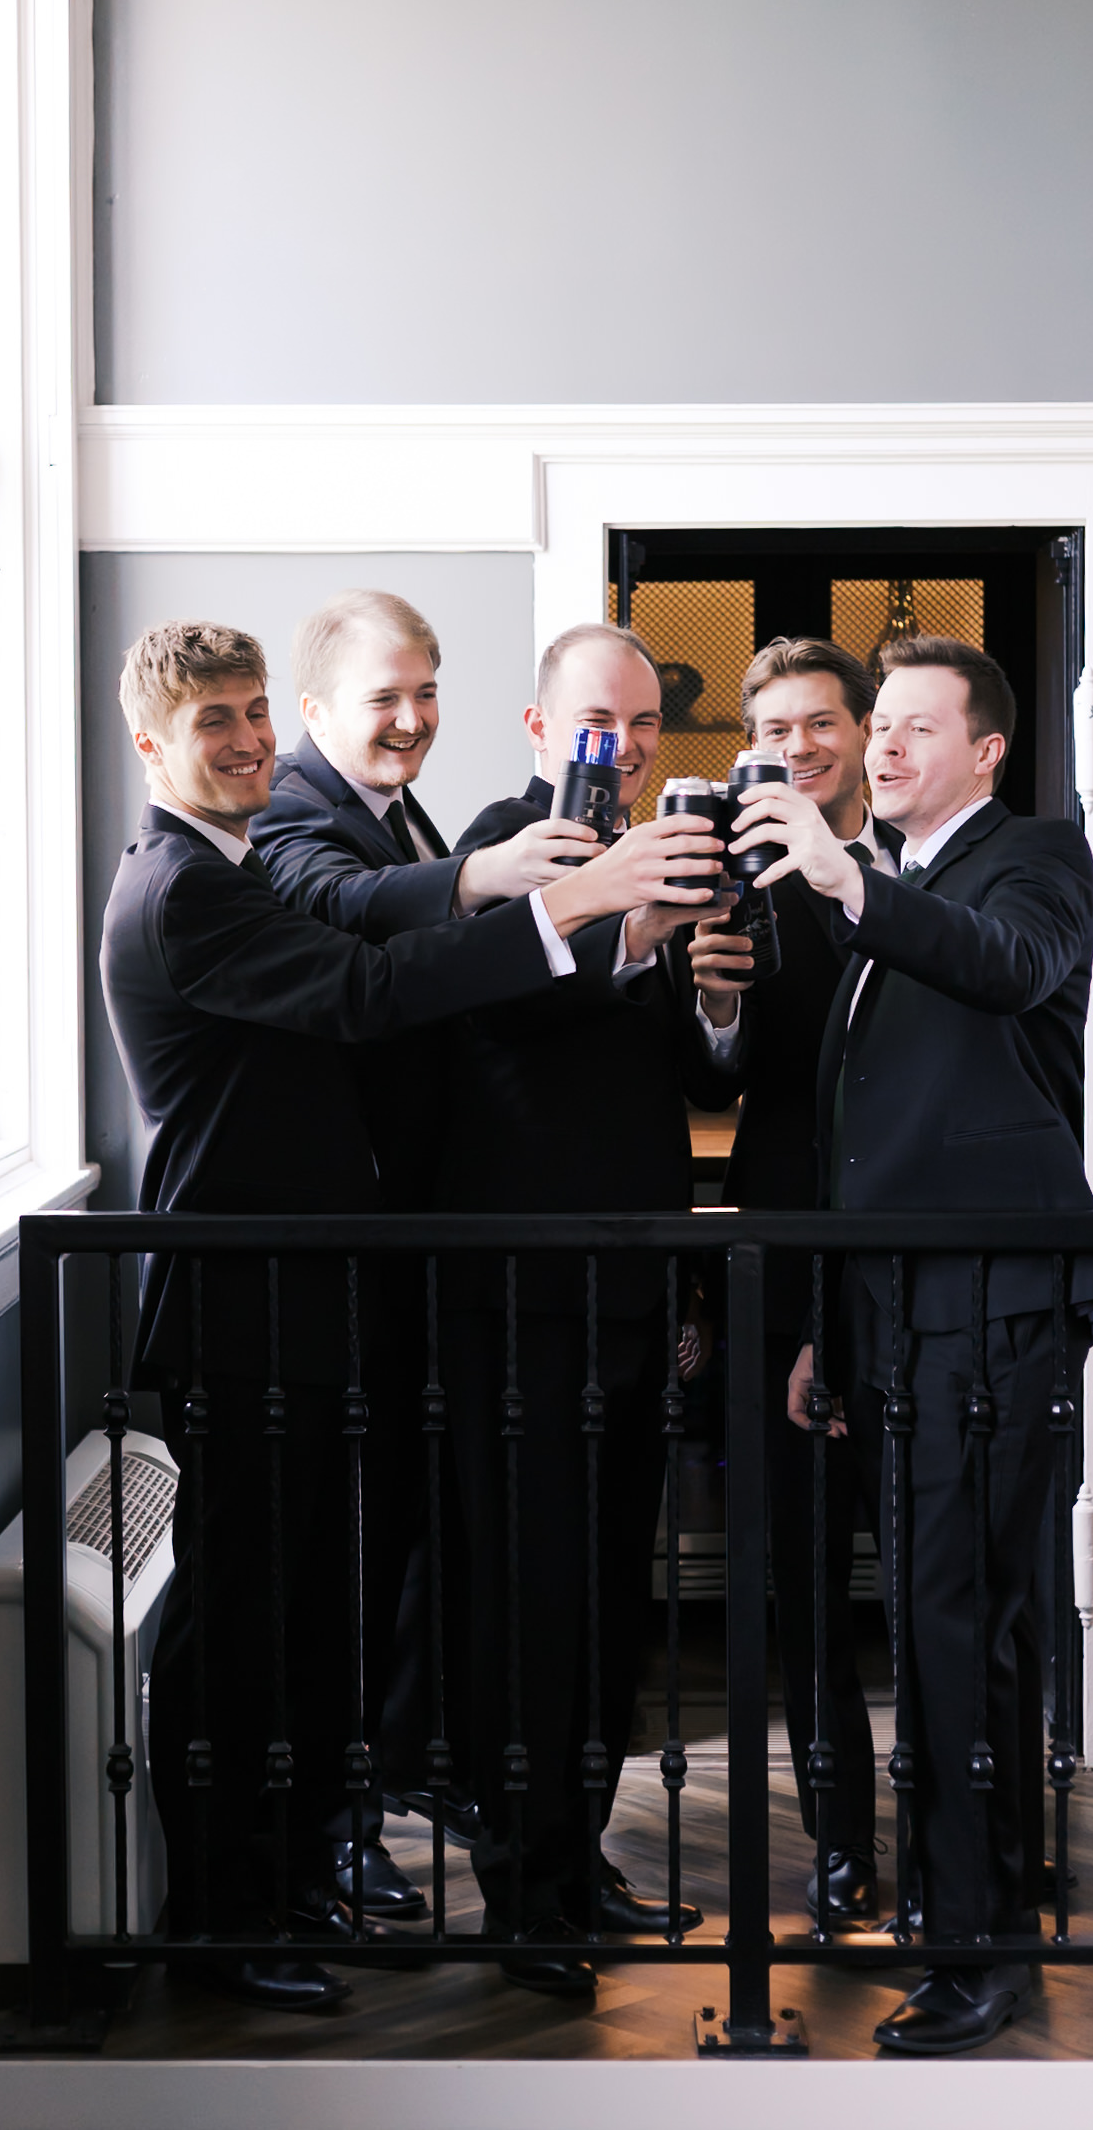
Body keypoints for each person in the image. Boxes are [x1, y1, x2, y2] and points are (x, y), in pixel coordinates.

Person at [100, 619, 719, 2014]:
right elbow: (373, 991)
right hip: (244, 1308)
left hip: (323, 1303)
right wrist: (563, 909)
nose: (252, 739)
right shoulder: (183, 888)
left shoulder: (245, 863)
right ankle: (218, 1919)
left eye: (256, 712)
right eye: (220, 723)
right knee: (241, 1631)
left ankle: (291, 1884)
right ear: (152, 747)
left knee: (314, 1620)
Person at [727, 634, 1093, 2057]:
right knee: (943, 1622)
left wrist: (846, 883)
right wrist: (831, 1323)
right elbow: (849, 1137)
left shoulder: (1030, 862)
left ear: (986, 749)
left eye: (909, 728)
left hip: (995, 1296)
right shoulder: (891, 888)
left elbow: (1011, 974)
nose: (880, 748)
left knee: (963, 1625)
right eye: (874, 728)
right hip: (893, 1304)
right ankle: (971, 1907)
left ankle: (975, 1947)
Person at [254, 587, 589, 1889]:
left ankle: (390, 1784)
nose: (409, 719)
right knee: (336, 1562)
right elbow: (331, 905)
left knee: (395, 1547)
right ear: (315, 708)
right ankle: (331, 1831)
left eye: (425, 691)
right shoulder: (293, 809)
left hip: (406, 1245)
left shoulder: (400, 809)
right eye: (383, 697)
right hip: (326, 1256)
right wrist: (486, 880)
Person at [433, 620, 732, 1998]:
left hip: (630, 1294)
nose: (616, 748)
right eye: (591, 722)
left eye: (639, 726)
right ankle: (520, 1898)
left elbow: (683, 1077)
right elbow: (501, 1028)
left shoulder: (660, 857)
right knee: (529, 1607)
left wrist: (710, 992)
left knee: (616, 1599)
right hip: (519, 1310)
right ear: (541, 728)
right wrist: (625, 937)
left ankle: (582, 1859)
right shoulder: (493, 856)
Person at [687, 636, 892, 1926]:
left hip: (914, 1264)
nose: (801, 748)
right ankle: (839, 1844)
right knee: (806, 1576)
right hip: (781, 1268)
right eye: (777, 731)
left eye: (823, 722)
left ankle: (972, 1826)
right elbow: (714, 1086)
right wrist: (709, 1009)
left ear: (867, 731)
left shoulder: (922, 871)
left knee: (944, 1564)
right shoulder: (738, 886)